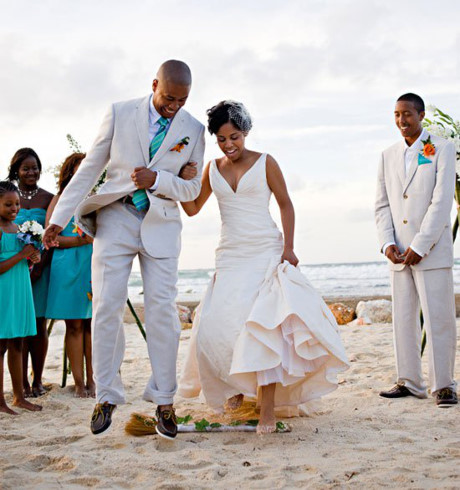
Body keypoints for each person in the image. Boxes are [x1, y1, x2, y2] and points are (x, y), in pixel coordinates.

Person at [43, 60, 205, 438]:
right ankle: (106, 394)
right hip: (116, 217)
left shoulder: (194, 130)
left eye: (182, 101)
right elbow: (89, 169)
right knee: (106, 306)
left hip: (162, 225)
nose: (174, 107)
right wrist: (58, 219)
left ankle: (164, 401)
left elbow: (192, 189)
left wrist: (159, 179)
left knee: (163, 312)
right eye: (169, 98)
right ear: (154, 85)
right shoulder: (119, 113)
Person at [178, 101, 349, 433]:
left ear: (245, 132)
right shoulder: (212, 168)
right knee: (217, 325)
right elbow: (193, 208)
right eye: (222, 139)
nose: (229, 145)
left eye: (235, 137)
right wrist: (183, 181)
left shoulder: (265, 162)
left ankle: (267, 408)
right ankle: (235, 386)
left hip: (264, 252)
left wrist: (289, 248)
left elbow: (286, 204)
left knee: (263, 328)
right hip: (230, 255)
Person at [375, 93, 457, 407]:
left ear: (421, 115)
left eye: (407, 114)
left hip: (431, 251)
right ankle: (409, 382)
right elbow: (382, 204)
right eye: (396, 115)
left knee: (439, 319)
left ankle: (444, 386)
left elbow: (441, 202)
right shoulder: (387, 155)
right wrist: (387, 243)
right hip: (398, 253)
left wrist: (421, 246)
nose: (401, 120)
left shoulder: (442, 148)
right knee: (403, 319)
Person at [45, 153, 95, 398]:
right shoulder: (59, 199)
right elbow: (49, 237)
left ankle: (93, 380)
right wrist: (80, 241)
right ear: (69, 172)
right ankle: (79, 383)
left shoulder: (95, 198)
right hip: (66, 264)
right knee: (74, 325)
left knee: (91, 324)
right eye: (79, 167)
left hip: (92, 263)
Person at [8, 148, 54, 398]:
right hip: (14, 270)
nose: (31, 172)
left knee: (38, 324)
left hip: (41, 268)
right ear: (16, 170)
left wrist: (38, 266)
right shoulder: (8, 197)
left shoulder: (48, 198)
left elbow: (51, 235)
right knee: (20, 325)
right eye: (25, 168)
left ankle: (37, 380)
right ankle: (22, 382)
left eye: (35, 167)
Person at [0, 181, 43, 414]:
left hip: (19, 288)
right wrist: (21, 256)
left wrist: (31, 259)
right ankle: (0, 401)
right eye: (8, 204)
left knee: (18, 342)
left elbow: (23, 263)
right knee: (0, 347)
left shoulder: (19, 229)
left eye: (16, 203)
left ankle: (19, 396)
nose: (14, 208)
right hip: (3, 292)